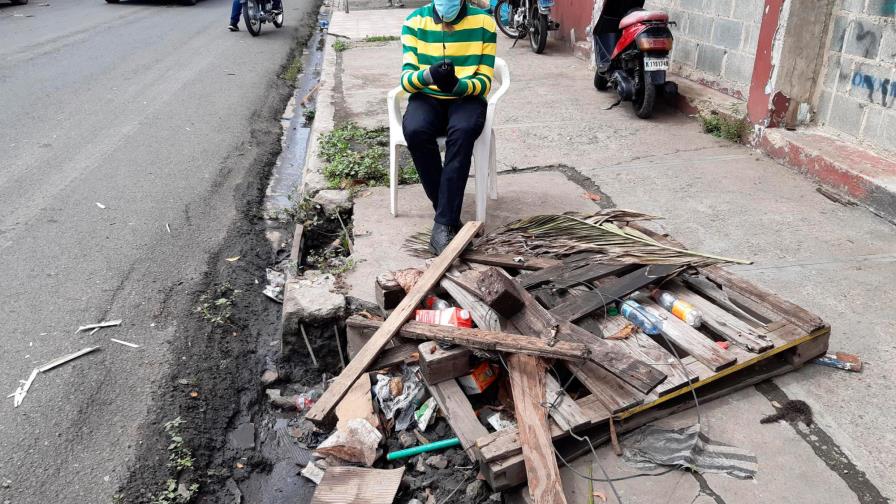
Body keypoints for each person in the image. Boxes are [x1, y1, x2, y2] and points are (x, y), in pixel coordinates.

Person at [399, 0, 497, 254]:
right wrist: (429, 75)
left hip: (466, 98)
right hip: (427, 96)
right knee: (415, 131)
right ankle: (449, 217)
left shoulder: (484, 22)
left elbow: (485, 82)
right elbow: (407, 80)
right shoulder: (414, 22)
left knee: (462, 133)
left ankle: (442, 224)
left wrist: (457, 85)